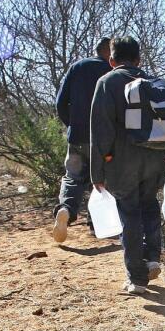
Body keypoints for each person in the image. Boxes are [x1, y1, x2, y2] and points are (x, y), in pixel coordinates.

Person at [89, 36, 165, 295]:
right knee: (149, 205)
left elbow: (101, 131)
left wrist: (97, 171)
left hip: (122, 162)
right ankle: (153, 256)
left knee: (130, 214)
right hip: (155, 159)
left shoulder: (106, 83)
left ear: (111, 60)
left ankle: (137, 277)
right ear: (138, 59)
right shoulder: (153, 82)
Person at [52, 37, 113, 243]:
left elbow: (60, 102)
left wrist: (72, 125)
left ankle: (66, 210)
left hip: (77, 136)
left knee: (73, 177)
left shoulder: (77, 67)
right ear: (109, 52)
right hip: (102, 139)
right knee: (102, 179)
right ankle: (96, 224)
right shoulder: (112, 71)